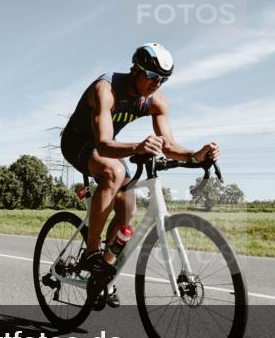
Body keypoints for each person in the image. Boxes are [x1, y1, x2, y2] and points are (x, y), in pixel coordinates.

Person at [60, 43, 220, 308]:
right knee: (114, 171)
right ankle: (91, 252)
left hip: (109, 147)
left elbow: (168, 146)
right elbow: (102, 144)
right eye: (154, 77)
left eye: (164, 79)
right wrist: (138, 147)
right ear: (136, 69)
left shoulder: (156, 101)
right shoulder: (106, 89)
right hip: (78, 143)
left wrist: (195, 154)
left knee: (127, 211)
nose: (158, 84)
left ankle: (103, 276)